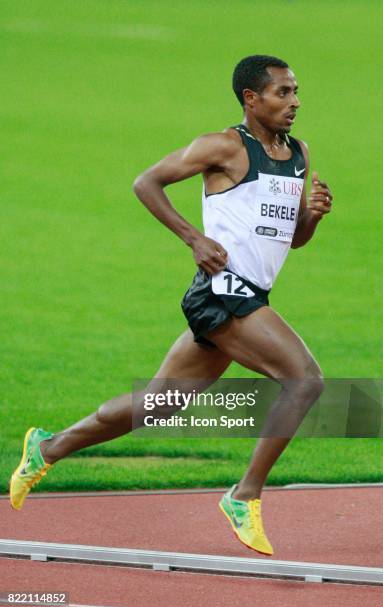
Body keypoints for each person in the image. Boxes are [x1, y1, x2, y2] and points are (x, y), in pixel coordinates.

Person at [10, 55, 332, 556]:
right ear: (252, 98)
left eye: (295, 92)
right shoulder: (224, 146)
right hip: (221, 291)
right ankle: (243, 496)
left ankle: (47, 446)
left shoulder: (298, 154)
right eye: (283, 92)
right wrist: (193, 239)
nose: (295, 102)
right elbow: (146, 182)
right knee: (305, 380)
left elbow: (290, 241)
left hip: (251, 293)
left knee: (158, 406)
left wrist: (311, 217)